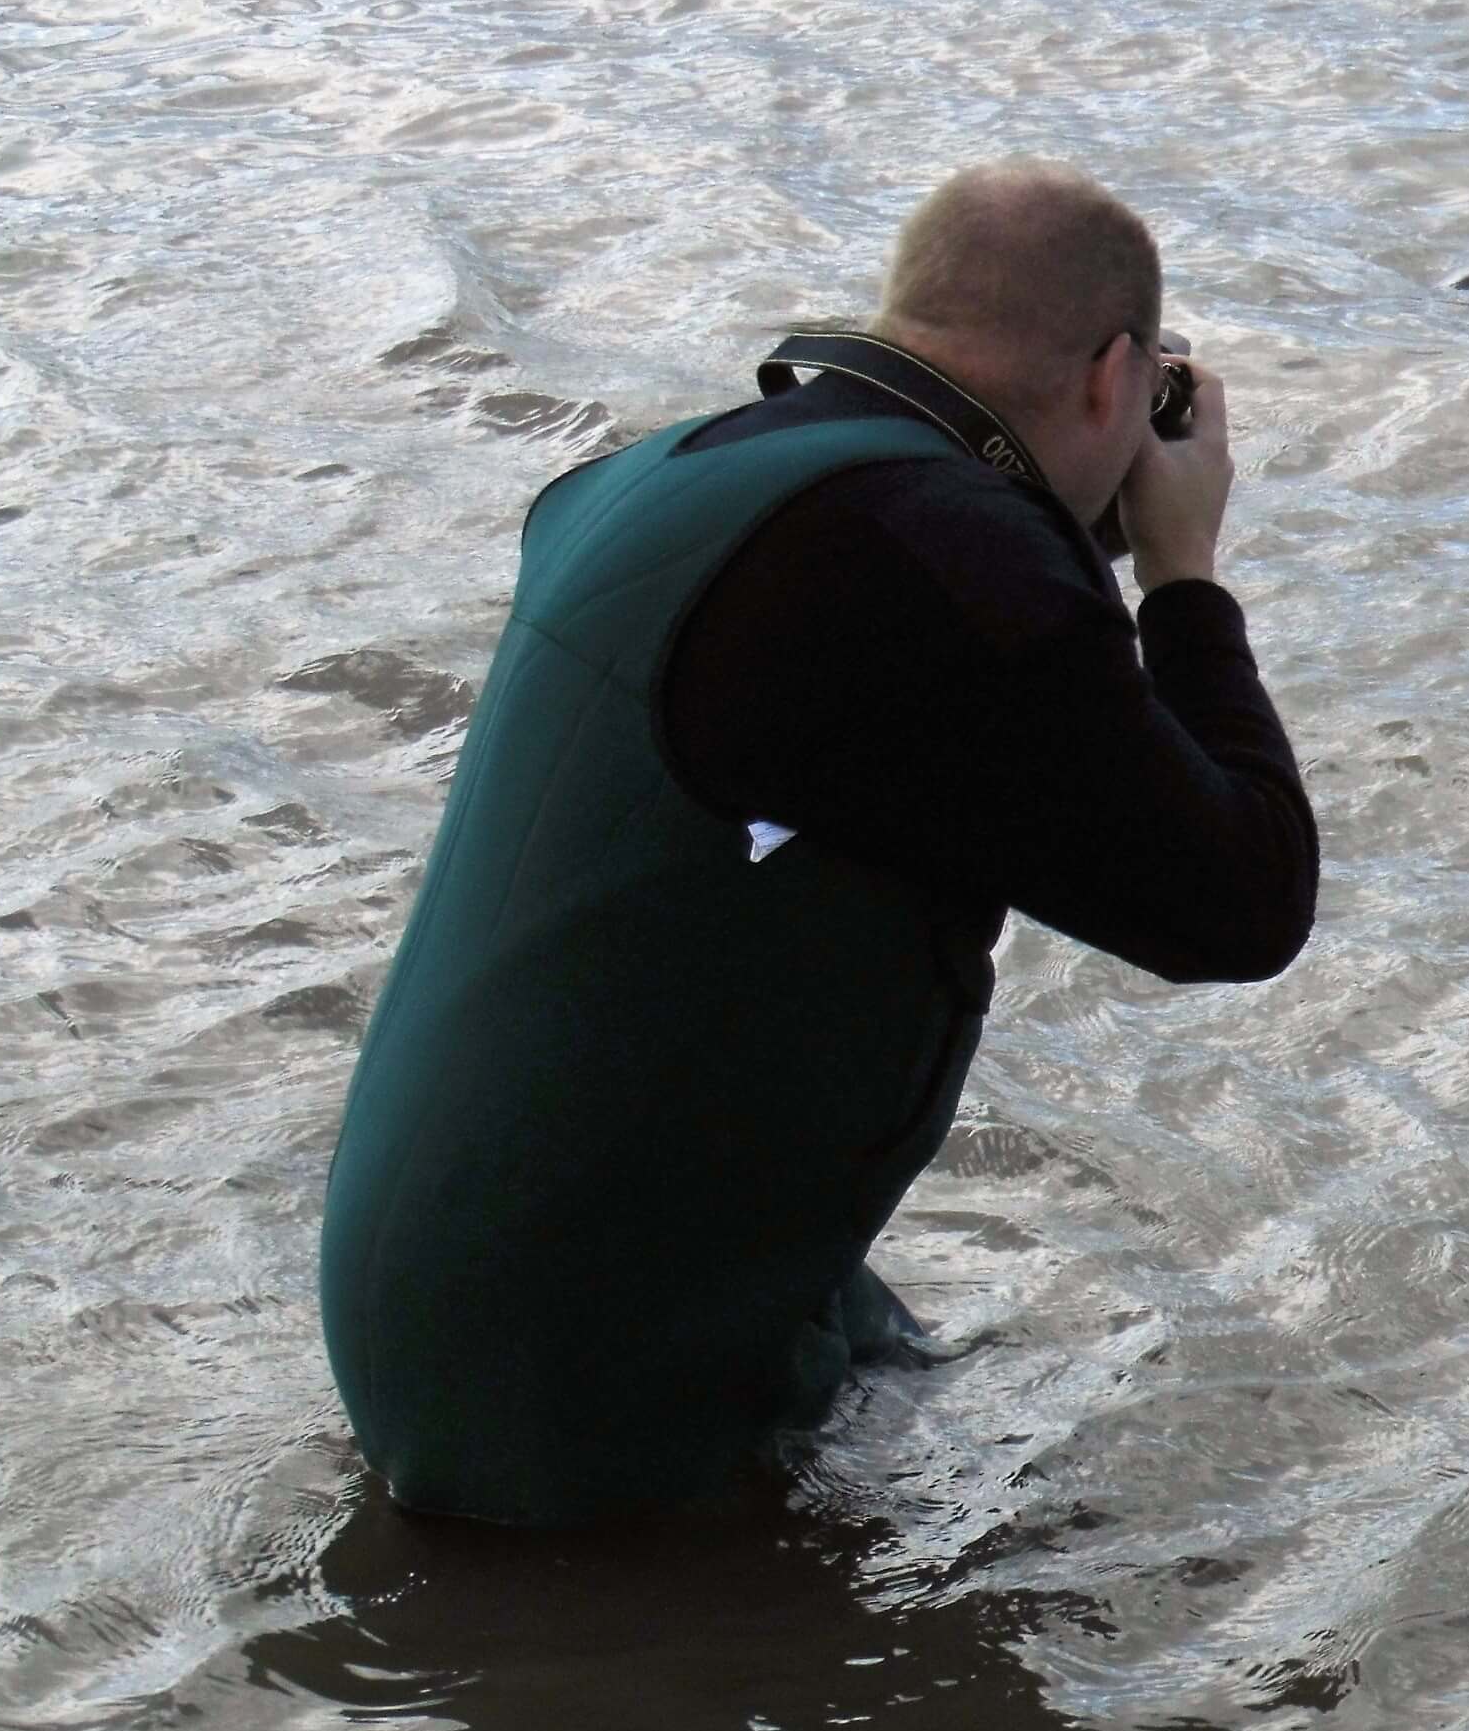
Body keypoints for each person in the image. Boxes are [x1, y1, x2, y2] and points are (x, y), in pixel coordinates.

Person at [319, 159, 1318, 1526]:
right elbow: (1244, 901)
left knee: (952, 1425)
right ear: (1113, 380)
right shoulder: (936, 557)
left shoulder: (661, 473)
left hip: (437, 1294)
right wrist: (1187, 574)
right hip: (575, 1391)